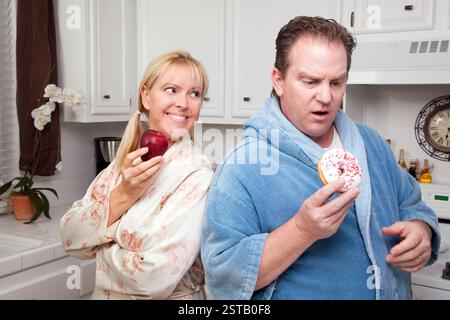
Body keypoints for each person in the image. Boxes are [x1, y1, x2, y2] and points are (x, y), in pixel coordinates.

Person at [201, 16, 441, 300]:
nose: (326, 97)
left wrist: (421, 230)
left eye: (336, 82)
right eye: (311, 81)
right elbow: (222, 276)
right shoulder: (243, 166)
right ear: (279, 80)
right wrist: (302, 230)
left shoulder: (371, 143)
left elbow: (411, 203)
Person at [60, 51, 214, 299]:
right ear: (146, 96)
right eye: (171, 89)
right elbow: (69, 236)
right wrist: (124, 193)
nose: (184, 103)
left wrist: (100, 247)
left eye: (195, 94)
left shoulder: (197, 175)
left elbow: (152, 279)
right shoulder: (122, 164)